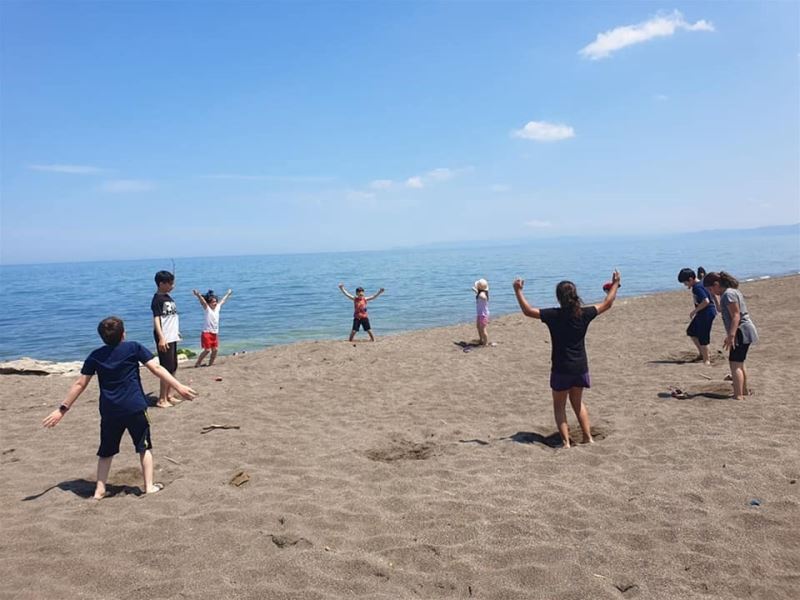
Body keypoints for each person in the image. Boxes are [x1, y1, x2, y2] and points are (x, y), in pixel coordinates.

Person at [42, 317, 197, 499]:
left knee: (106, 451)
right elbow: (156, 368)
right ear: (123, 334)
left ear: (102, 337)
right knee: (144, 447)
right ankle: (149, 486)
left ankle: (99, 490)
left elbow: (80, 384)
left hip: (110, 410)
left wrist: (62, 410)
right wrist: (178, 386)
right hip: (135, 407)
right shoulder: (133, 348)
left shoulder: (95, 356)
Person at [513, 271, 621, 448]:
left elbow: (528, 311)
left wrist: (518, 290)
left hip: (561, 368)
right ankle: (588, 437)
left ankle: (566, 443)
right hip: (580, 367)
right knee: (577, 403)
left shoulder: (553, 315)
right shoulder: (584, 313)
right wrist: (615, 283)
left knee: (559, 406)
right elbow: (607, 303)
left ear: (559, 298)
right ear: (575, 295)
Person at [702, 271, 758, 400]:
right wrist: (713, 296)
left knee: (735, 364)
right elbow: (721, 309)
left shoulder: (728, 294)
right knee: (740, 363)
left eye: (710, 289)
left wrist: (731, 336)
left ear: (716, 284)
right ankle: (744, 391)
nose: (710, 291)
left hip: (741, 331)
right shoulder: (730, 292)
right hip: (744, 330)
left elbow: (736, 316)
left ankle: (738, 395)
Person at [151, 270, 181, 407]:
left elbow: (171, 318)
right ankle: (162, 399)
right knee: (166, 368)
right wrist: (161, 338)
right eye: (170, 283)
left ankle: (169, 395)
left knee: (173, 366)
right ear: (161, 284)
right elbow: (157, 319)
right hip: (165, 337)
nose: (172, 286)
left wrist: (177, 332)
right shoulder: (157, 299)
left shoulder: (168, 298)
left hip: (172, 335)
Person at [677, 267, 716, 365]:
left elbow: (706, 301)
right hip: (703, 312)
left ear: (690, 279)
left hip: (706, 312)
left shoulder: (697, 287)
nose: (685, 285)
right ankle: (702, 353)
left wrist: (695, 311)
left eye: (685, 282)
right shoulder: (701, 283)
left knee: (703, 336)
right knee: (691, 331)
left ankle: (706, 359)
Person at [192, 288, 233, 367]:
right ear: (209, 303)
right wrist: (198, 295)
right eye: (213, 302)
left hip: (214, 333)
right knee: (207, 350)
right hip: (206, 333)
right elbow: (203, 302)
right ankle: (198, 363)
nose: (215, 303)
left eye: (215, 301)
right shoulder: (207, 309)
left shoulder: (217, 308)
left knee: (215, 350)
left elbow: (223, 300)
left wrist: (228, 294)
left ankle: (210, 364)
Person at [472, 278, 490, 346]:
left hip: (483, 315)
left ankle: (486, 343)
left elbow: (484, 297)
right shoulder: (480, 293)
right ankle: (481, 339)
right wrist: (476, 291)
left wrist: (478, 293)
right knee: (478, 327)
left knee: (483, 329)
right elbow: (480, 294)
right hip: (480, 313)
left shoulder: (482, 294)